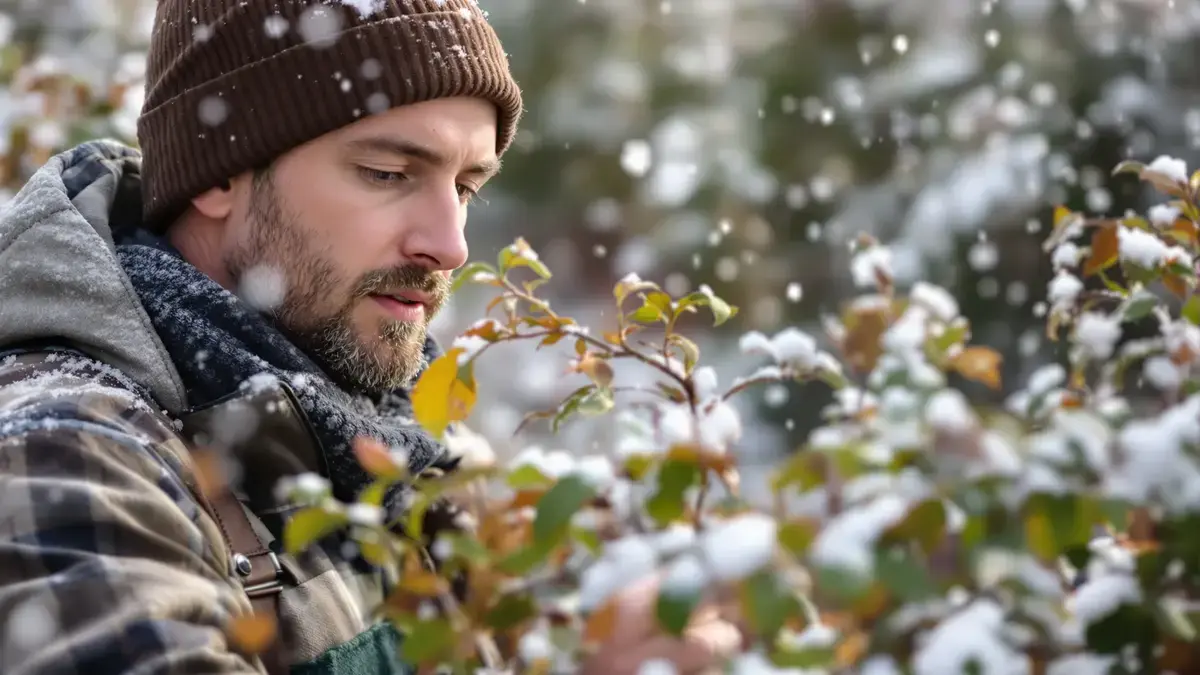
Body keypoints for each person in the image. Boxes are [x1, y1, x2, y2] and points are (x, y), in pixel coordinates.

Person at [0, 1, 741, 673]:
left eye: (465, 187)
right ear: (220, 173)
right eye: (388, 172)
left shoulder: (398, 437)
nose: (449, 244)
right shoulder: (61, 454)